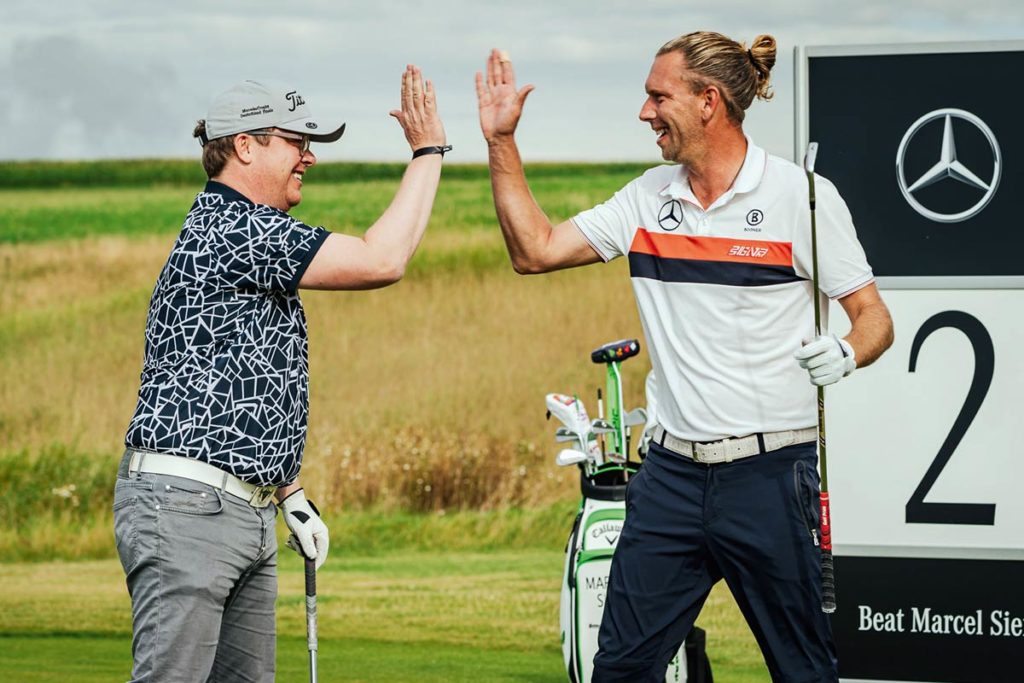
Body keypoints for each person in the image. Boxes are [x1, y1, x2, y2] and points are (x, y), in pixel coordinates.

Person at [477, 32, 893, 682]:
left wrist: (845, 351)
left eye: (657, 96)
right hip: (670, 478)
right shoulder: (648, 197)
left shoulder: (800, 197)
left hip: (770, 475)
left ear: (709, 101)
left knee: (802, 670)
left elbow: (873, 318)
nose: (645, 112)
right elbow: (535, 250)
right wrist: (501, 142)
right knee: (619, 670)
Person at [114, 66, 449, 682]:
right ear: (245, 145)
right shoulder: (232, 226)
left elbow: (242, 380)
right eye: (296, 141)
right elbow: (382, 259)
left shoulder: (250, 238)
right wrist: (429, 152)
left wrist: (288, 493)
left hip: (245, 507)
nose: (310, 158)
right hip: (189, 507)